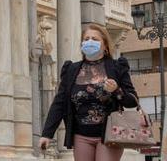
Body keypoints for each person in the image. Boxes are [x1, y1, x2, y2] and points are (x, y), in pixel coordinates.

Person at [39, 23, 139, 161]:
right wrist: (47, 134)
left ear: (105, 45)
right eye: (86, 39)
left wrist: (116, 91)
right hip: (81, 135)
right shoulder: (71, 70)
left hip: (110, 134)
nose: (89, 42)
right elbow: (59, 103)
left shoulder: (116, 67)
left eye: (95, 39)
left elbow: (132, 101)